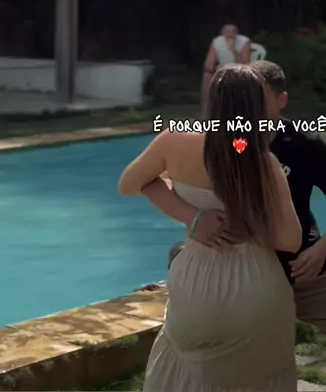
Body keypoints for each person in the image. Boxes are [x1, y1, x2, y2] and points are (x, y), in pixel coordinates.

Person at [142, 61, 326, 392]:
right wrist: (193, 219)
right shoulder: (212, 142)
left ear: (281, 101)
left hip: (305, 267)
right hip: (241, 275)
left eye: (255, 100)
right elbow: (165, 183)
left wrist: (320, 251)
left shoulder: (305, 145)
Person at [119, 63, 302, 392]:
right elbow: (291, 240)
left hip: (197, 289)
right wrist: (251, 228)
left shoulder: (174, 142)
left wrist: (193, 216)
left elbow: (130, 184)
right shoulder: (265, 164)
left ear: (211, 101)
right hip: (257, 292)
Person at [201, 23, 250, 113]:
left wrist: (233, 49)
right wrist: (215, 68)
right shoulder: (217, 42)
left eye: (232, 32)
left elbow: (245, 64)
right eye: (227, 32)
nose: (230, 34)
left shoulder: (244, 41)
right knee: (207, 76)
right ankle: (207, 110)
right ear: (222, 32)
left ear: (236, 32)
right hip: (222, 70)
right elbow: (208, 65)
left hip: (239, 71)